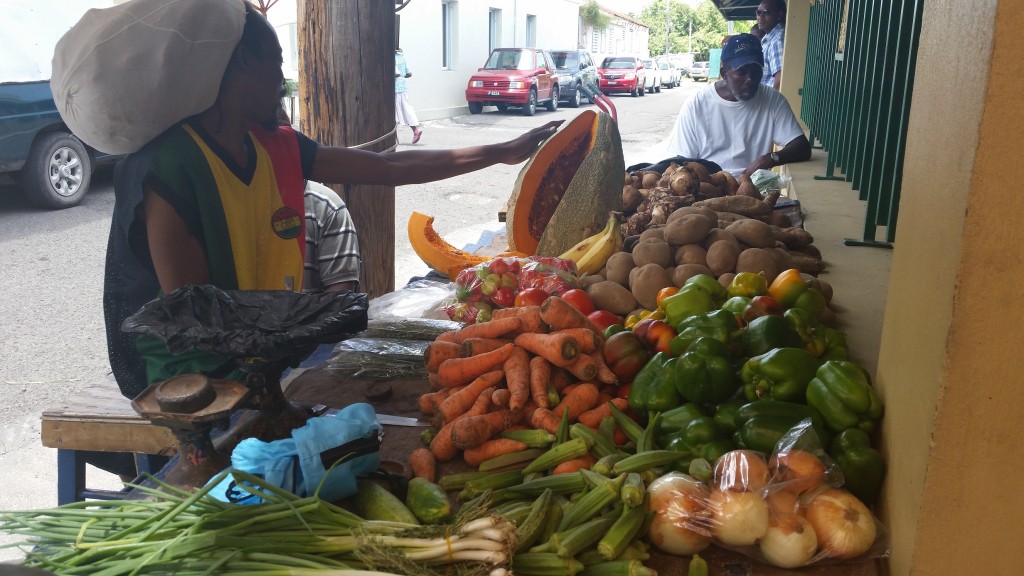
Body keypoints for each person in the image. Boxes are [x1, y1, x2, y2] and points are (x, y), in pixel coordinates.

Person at [98, 1, 561, 401]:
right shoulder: (171, 165)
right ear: (239, 64)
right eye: (274, 63)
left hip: (257, 354)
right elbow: (193, 314)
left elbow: (389, 168)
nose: (282, 80)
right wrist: (307, 329)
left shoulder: (271, 144)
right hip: (189, 379)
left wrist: (501, 152)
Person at [664, 33, 810, 178]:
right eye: (741, 72)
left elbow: (802, 147)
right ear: (724, 74)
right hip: (708, 188)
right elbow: (683, 162)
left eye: (756, 71)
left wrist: (769, 159)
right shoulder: (696, 105)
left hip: (752, 190)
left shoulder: (773, 100)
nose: (750, 79)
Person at [757, 0, 786, 90]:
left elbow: (780, 80)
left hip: (770, 100)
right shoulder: (770, 38)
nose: (760, 17)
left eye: (766, 12)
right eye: (758, 12)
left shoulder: (776, 41)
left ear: (779, 15)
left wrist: (771, 103)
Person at [395, 48, 422, 144]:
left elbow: (396, 73)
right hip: (403, 86)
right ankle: (416, 129)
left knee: (394, 111)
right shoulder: (401, 57)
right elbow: (409, 73)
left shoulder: (391, 57)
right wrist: (403, 75)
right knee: (407, 108)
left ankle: (394, 137)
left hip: (394, 87)